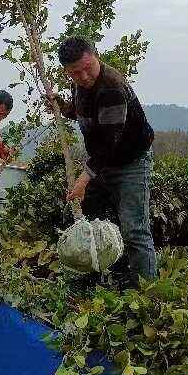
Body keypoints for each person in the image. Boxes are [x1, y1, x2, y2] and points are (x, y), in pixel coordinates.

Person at [50, 37, 156, 282]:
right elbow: (85, 113)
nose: (84, 76)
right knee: (94, 217)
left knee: (134, 229)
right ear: (68, 72)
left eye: (88, 68)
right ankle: (107, 274)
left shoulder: (112, 86)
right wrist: (62, 107)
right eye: (76, 73)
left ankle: (148, 294)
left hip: (131, 161)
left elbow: (109, 143)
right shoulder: (80, 85)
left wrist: (83, 179)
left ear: (95, 56)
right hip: (104, 162)